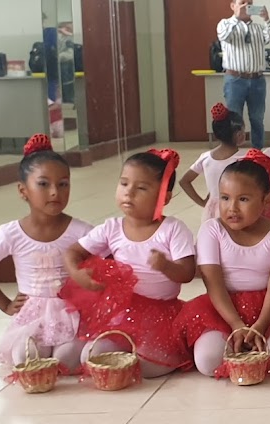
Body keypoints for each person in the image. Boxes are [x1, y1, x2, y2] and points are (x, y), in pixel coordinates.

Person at [62, 150, 196, 378]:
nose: (129, 193)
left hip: (160, 313)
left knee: (148, 368)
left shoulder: (173, 229)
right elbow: (73, 251)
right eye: (124, 184)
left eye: (141, 188)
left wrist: (165, 266)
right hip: (122, 310)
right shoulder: (111, 227)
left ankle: (145, 356)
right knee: (92, 356)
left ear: (164, 197)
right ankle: (122, 354)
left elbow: (187, 272)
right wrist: (77, 273)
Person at [176, 152, 270, 377]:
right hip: (222, 307)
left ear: (266, 200)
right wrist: (236, 325)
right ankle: (235, 343)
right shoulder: (212, 230)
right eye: (224, 198)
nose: (232, 208)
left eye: (243, 199)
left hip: (267, 309)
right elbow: (213, 282)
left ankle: (253, 342)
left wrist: (260, 325)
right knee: (207, 361)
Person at [0, 134, 91, 372]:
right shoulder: (11, 233)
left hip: (71, 313)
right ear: (23, 190)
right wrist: (4, 303)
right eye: (43, 184)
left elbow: (107, 264)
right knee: (24, 357)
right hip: (31, 315)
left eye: (63, 183)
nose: (55, 192)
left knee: (67, 358)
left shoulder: (80, 231)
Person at [217, 0, 270, 150]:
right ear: (233, 6)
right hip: (235, 80)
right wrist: (237, 18)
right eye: (242, 3)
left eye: (249, 3)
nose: (246, 6)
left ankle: (258, 152)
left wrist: (266, 19)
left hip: (257, 80)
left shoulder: (258, 28)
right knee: (234, 119)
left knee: (257, 118)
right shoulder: (225, 24)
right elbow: (224, 36)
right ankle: (231, 151)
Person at [179, 103, 246, 221]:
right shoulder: (244, 158)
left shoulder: (205, 158)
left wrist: (203, 203)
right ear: (239, 134)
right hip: (235, 209)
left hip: (212, 210)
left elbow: (184, 181)